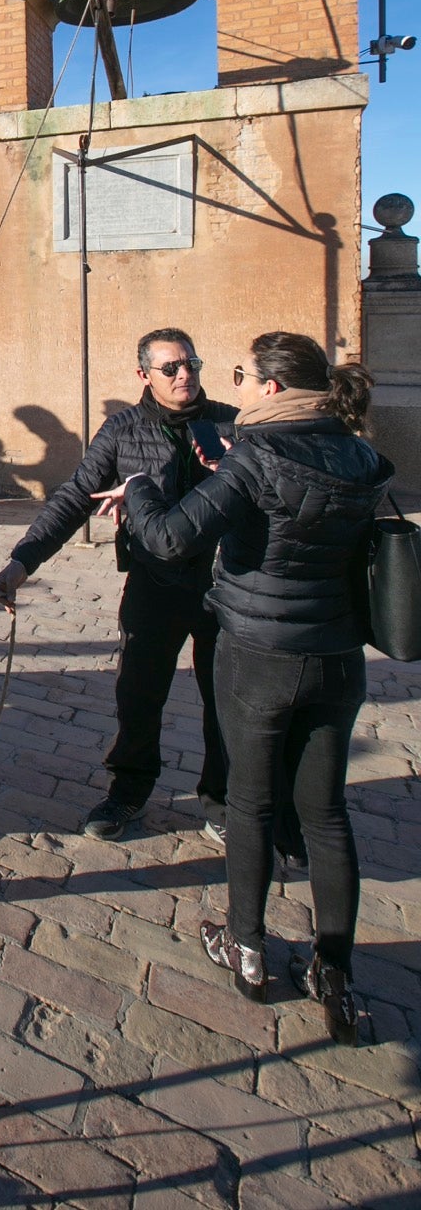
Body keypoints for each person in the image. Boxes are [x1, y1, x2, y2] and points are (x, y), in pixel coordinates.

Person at [98, 333, 390, 1040]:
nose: (237, 385)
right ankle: (334, 970)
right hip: (339, 658)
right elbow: (309, 507)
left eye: (245, 376)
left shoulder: (257, 455)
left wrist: (137, 490)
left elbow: (169, 538)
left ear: (272, 389)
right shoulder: (361, 455)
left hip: (259, 653)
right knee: (324, 815)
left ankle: (249, 949)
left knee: (253, 807)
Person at [0, 327, 235, 844]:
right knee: (139, 696)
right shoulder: (123, 430)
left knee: (227, 702)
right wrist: (22, 562)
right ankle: (129, 791)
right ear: (144, 375)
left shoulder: (232, 423)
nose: (185, 374)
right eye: (171, 367)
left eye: (191, 363)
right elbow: (78, 495)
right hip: (154, 582)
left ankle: (222, 799)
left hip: (225, 588)